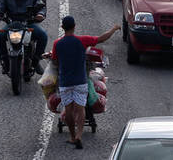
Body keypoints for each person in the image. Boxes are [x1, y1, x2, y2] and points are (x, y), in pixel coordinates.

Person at [50, 16, 121, 149]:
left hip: (65, 82)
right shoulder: (82, 41)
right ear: (74, 26)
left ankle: (71, 136)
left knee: (69, 110)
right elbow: (101, 38)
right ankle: (79, 135)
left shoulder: (57, 44)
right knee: (80, 108)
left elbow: (55, 61)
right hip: (80, 81)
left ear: (62, 28)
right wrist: (114, 29)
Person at [0, 0, 47, 75]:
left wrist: (40, 14)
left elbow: (41, 6)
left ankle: (36, 60)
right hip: (11, 25)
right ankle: (5, 62)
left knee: (43, 35)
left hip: (28, 24)